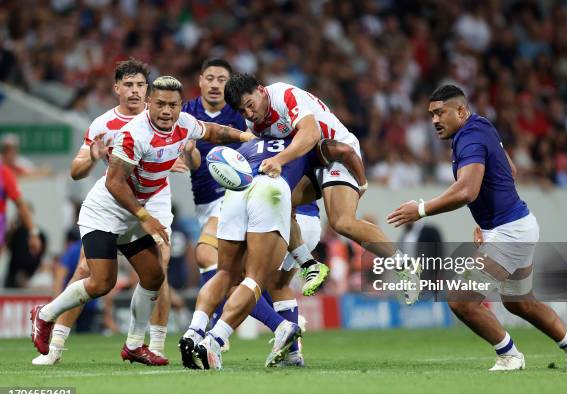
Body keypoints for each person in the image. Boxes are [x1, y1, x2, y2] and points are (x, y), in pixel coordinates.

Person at [30, 75, 254, 366]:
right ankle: (44, 315)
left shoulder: (184, 124)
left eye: (172, 105)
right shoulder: (134, 134)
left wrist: (243, 137)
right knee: (101, 282)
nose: (166, 111)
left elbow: (211, 131)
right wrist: (144, 218)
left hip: (136, 212)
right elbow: (114, 183)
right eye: (160, 104)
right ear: (149, 104)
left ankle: (135, 345)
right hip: (105, 213)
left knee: (153, 275)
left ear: (179, 106)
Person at [386, 84, 567, 371]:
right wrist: (485, 220)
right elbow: (507, 171)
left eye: (440, 113)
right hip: (520, 224)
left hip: (510, 232)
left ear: (460, 110)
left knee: (461, 299)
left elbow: (467, 191)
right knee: (520, 302)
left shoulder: (468, 139)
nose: (434, 120)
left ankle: (510, 356)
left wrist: (421, 209)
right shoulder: (481, 126)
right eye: (431, 115)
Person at [223, 74, 419, 301]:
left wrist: (280, 161)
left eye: (250, 105)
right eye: (242, 111)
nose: (248, 113)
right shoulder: (253, 122)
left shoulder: (285, 96)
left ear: (261, 90)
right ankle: (309, 264)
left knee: (341, 222)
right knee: (273, 200)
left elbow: (311, 133)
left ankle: (405, 266)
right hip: (309, 162)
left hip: (337, 155)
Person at [31, 58, 173, 365]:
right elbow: (76, 170)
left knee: (159, 266)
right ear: (117, 88)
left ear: (148, 89)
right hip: (115, 201)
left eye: (140, 85)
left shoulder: (165, 114)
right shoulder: (103, 124)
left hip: (154, 197)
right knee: (89, 271)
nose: (135, 92)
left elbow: (185, 147)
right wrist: (93, 157)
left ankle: (153, 345)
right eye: (129, 85)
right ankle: (55, 345)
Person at [184, 135, 368, 370]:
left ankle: (215, 338)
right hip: (299, 218)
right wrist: (361, 183)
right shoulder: (302, 141)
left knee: (241, 278)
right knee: (274, 284)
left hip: (283, 215)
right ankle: (290, 348)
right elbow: (343, 152)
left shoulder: (260, 143)